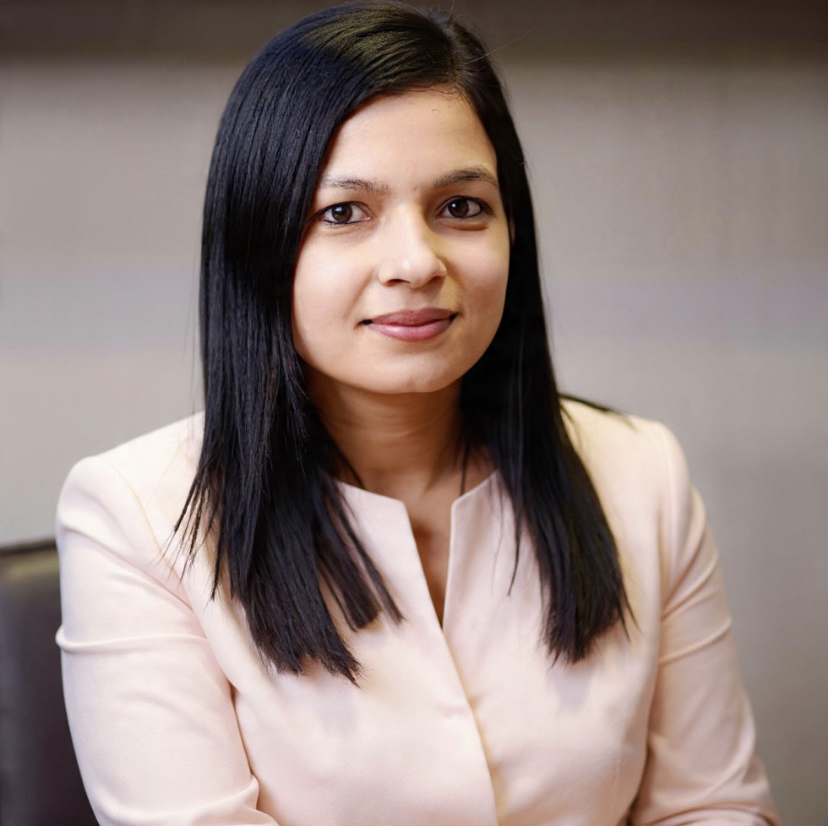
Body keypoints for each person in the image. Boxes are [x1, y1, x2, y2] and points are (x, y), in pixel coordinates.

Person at [55, 4, 781, 825]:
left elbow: (713, 805)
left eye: (460, 207)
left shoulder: (642, 473)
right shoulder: (135, 517)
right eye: (343, 213)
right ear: (258, 244)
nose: (415, 262)